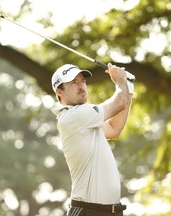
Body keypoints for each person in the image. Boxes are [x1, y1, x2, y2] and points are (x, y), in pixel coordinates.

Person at [51, 63, 134, 216]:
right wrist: (120, 81)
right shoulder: (72, 116)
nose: (81, 86)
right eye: (73, 82)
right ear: (59, 91)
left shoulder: (87, 120)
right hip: (88, 211)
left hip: (112, 211)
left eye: (82, 81)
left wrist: (128, 87)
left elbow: (114, 128)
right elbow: (118, 103)